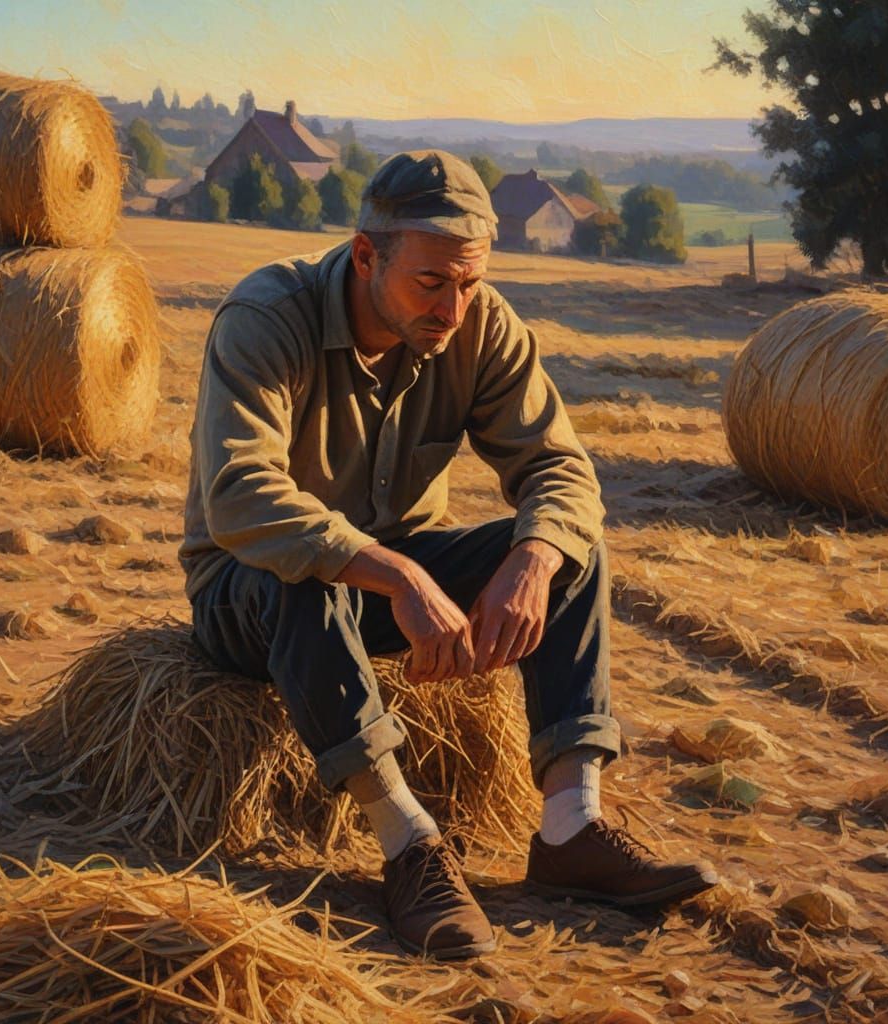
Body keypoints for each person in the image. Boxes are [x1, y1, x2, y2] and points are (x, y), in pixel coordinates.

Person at [180, 149, 717, 960]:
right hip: (248, 589)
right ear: (367, 255)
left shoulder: (479, 321)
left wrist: (532, 561)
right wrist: (396, 573)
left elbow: (560, 470)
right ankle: (409, 845)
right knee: (307, 575)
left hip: (399, 578)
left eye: (469, 283)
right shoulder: (266, 317)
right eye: (432, 283)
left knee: (566, 542)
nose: (455, 307)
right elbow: (241, 496)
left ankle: (573, 824)